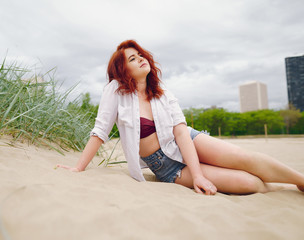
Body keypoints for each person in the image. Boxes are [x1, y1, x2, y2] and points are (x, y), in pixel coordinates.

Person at [57, 39, 304, 195]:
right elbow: (100, 131)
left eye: (140, 55)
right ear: (123, 71)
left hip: (188, 142)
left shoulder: (162, 92)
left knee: (244, 158)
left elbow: (180, 131)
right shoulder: (115, 91)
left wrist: (198, 174)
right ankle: (277, 181)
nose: (141, 59)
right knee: (251, 184)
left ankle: (300, 180)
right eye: (132, 58)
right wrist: (78, 167)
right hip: (165, 165)